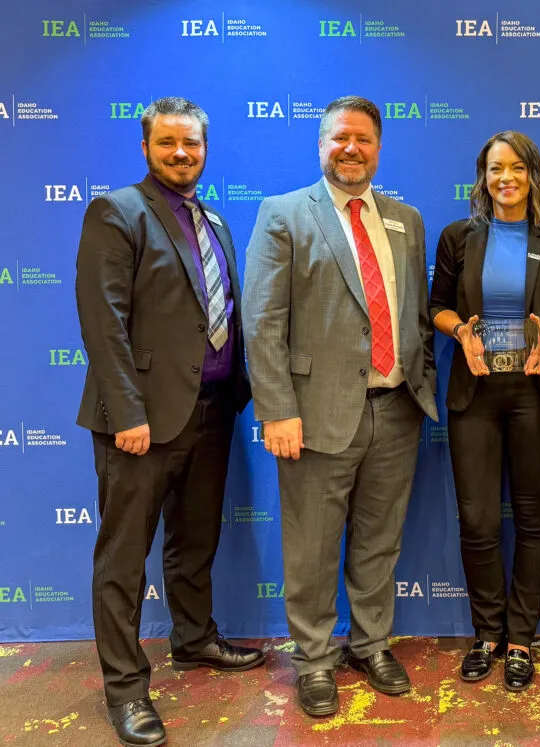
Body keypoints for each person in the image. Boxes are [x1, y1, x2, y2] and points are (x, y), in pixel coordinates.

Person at [75, 96, 263, 747]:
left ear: (205, 149)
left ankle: (194, 638)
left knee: (195, 539)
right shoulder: (117, 212)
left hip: (212, 412)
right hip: (141, 423)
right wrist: (127, 413)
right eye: (168, 143)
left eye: (192, 144)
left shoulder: (214, 220)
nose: (181, 154)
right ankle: (126, 688)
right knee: (124, 559)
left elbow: (225, 308)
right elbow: (103, 322)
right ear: (146, 147)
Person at [243, 95, 437, 717]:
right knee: (312, 546)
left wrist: (421, 384)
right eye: (340, 138)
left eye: (364, 139)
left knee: (379, 541)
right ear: (321, 144)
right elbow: (262, 321)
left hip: (396, 409)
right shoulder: (283, 214)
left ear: (379, 148)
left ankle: (371, 644)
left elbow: (416, 313)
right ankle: (315, 658)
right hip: (313, 414)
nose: (352, 149)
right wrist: (276, 409)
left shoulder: (406, 219)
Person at [429, 131, 540, 691]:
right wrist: (460, 332)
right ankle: (486, 634)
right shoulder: (458, 237)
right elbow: (437, 305)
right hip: (474, 392)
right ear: (483, 177)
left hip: (536, 393)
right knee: (477, 520)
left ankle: (521, 639)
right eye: (496, 168)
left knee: (533, 518)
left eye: (517, 167)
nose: (506, 178)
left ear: (533, 175)